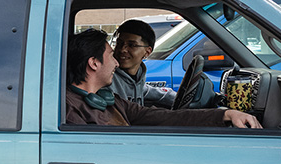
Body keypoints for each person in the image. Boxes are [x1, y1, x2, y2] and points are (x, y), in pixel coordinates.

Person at [66, 29, 261, 128]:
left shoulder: (111, 101)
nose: (116, 62)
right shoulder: (69, 110)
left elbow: (162, 116)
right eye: (111, 55)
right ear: (94, 63)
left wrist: (225, 115)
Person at [110, 19, 176, 107]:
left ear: (147, 52)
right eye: (119, 43)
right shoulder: (108, 78)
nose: (123, 49)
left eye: (131, 45)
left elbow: (145, 90)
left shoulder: (138, 77)